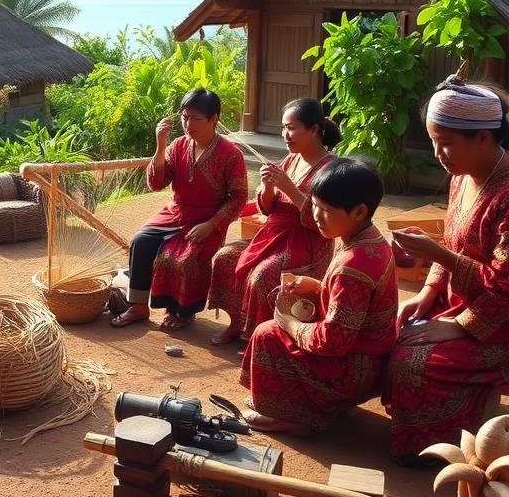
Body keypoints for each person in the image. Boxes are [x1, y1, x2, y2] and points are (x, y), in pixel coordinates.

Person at [385, 78, 509, 464]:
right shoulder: (461, 177)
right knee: (391, 332)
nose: (438, 153)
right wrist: (428, 292)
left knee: (416, 360)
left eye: (447, 142)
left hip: (496, 321)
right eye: (434, 140)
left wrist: (460, 324)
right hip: (460, 303)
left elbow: (504, 285)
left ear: (484, 138)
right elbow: (453, 247)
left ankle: (444, 442)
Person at [240, 158, 397, 435]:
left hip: (355, 369)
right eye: (313, 205)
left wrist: (287, 322)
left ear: (359, 211)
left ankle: (295, 417)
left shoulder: (353, 264)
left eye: (326, 210)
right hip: (371, 356)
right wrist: (317, 286)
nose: (315, 215)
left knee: (267, 334)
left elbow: (333, 341)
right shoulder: (371, 240)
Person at [111, 88, 248, 330]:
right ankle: (139, 306)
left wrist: (211, 225)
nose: (188, 124)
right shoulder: (177, 145)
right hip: (175, 211)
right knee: (140, 241)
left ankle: (183, 312)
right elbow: (156, 183)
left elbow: (238, 197)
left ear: (214, 119)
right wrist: (160, 145)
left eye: (196, 118)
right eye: (185, 117)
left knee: (185, 259)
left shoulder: (231, 155)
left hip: (207, 218)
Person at [208, 98, 339, 345]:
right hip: (273, 234)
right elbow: (267, 209)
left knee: (263, 276)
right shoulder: (290, 160)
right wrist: (267, 187)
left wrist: (289, 188)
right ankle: (237, 322)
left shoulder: (331, 170)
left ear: (313, 130)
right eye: (283, 127)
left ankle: (259, 337)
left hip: (306, 241)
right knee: (225, 257)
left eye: (292, 127)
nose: (285, 135)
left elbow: (327, 221)